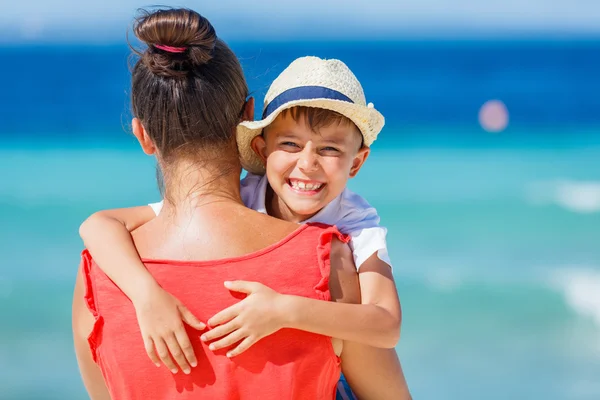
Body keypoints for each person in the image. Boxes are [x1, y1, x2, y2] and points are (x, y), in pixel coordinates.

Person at [72, 7, 411, 400]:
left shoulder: (98, 276)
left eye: (329, 149)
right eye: (291, 144)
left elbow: (99, 225)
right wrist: (144, 293)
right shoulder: (332, 260)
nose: (307, 163)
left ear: (143, 136)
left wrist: (144, 292)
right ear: (250, 128)